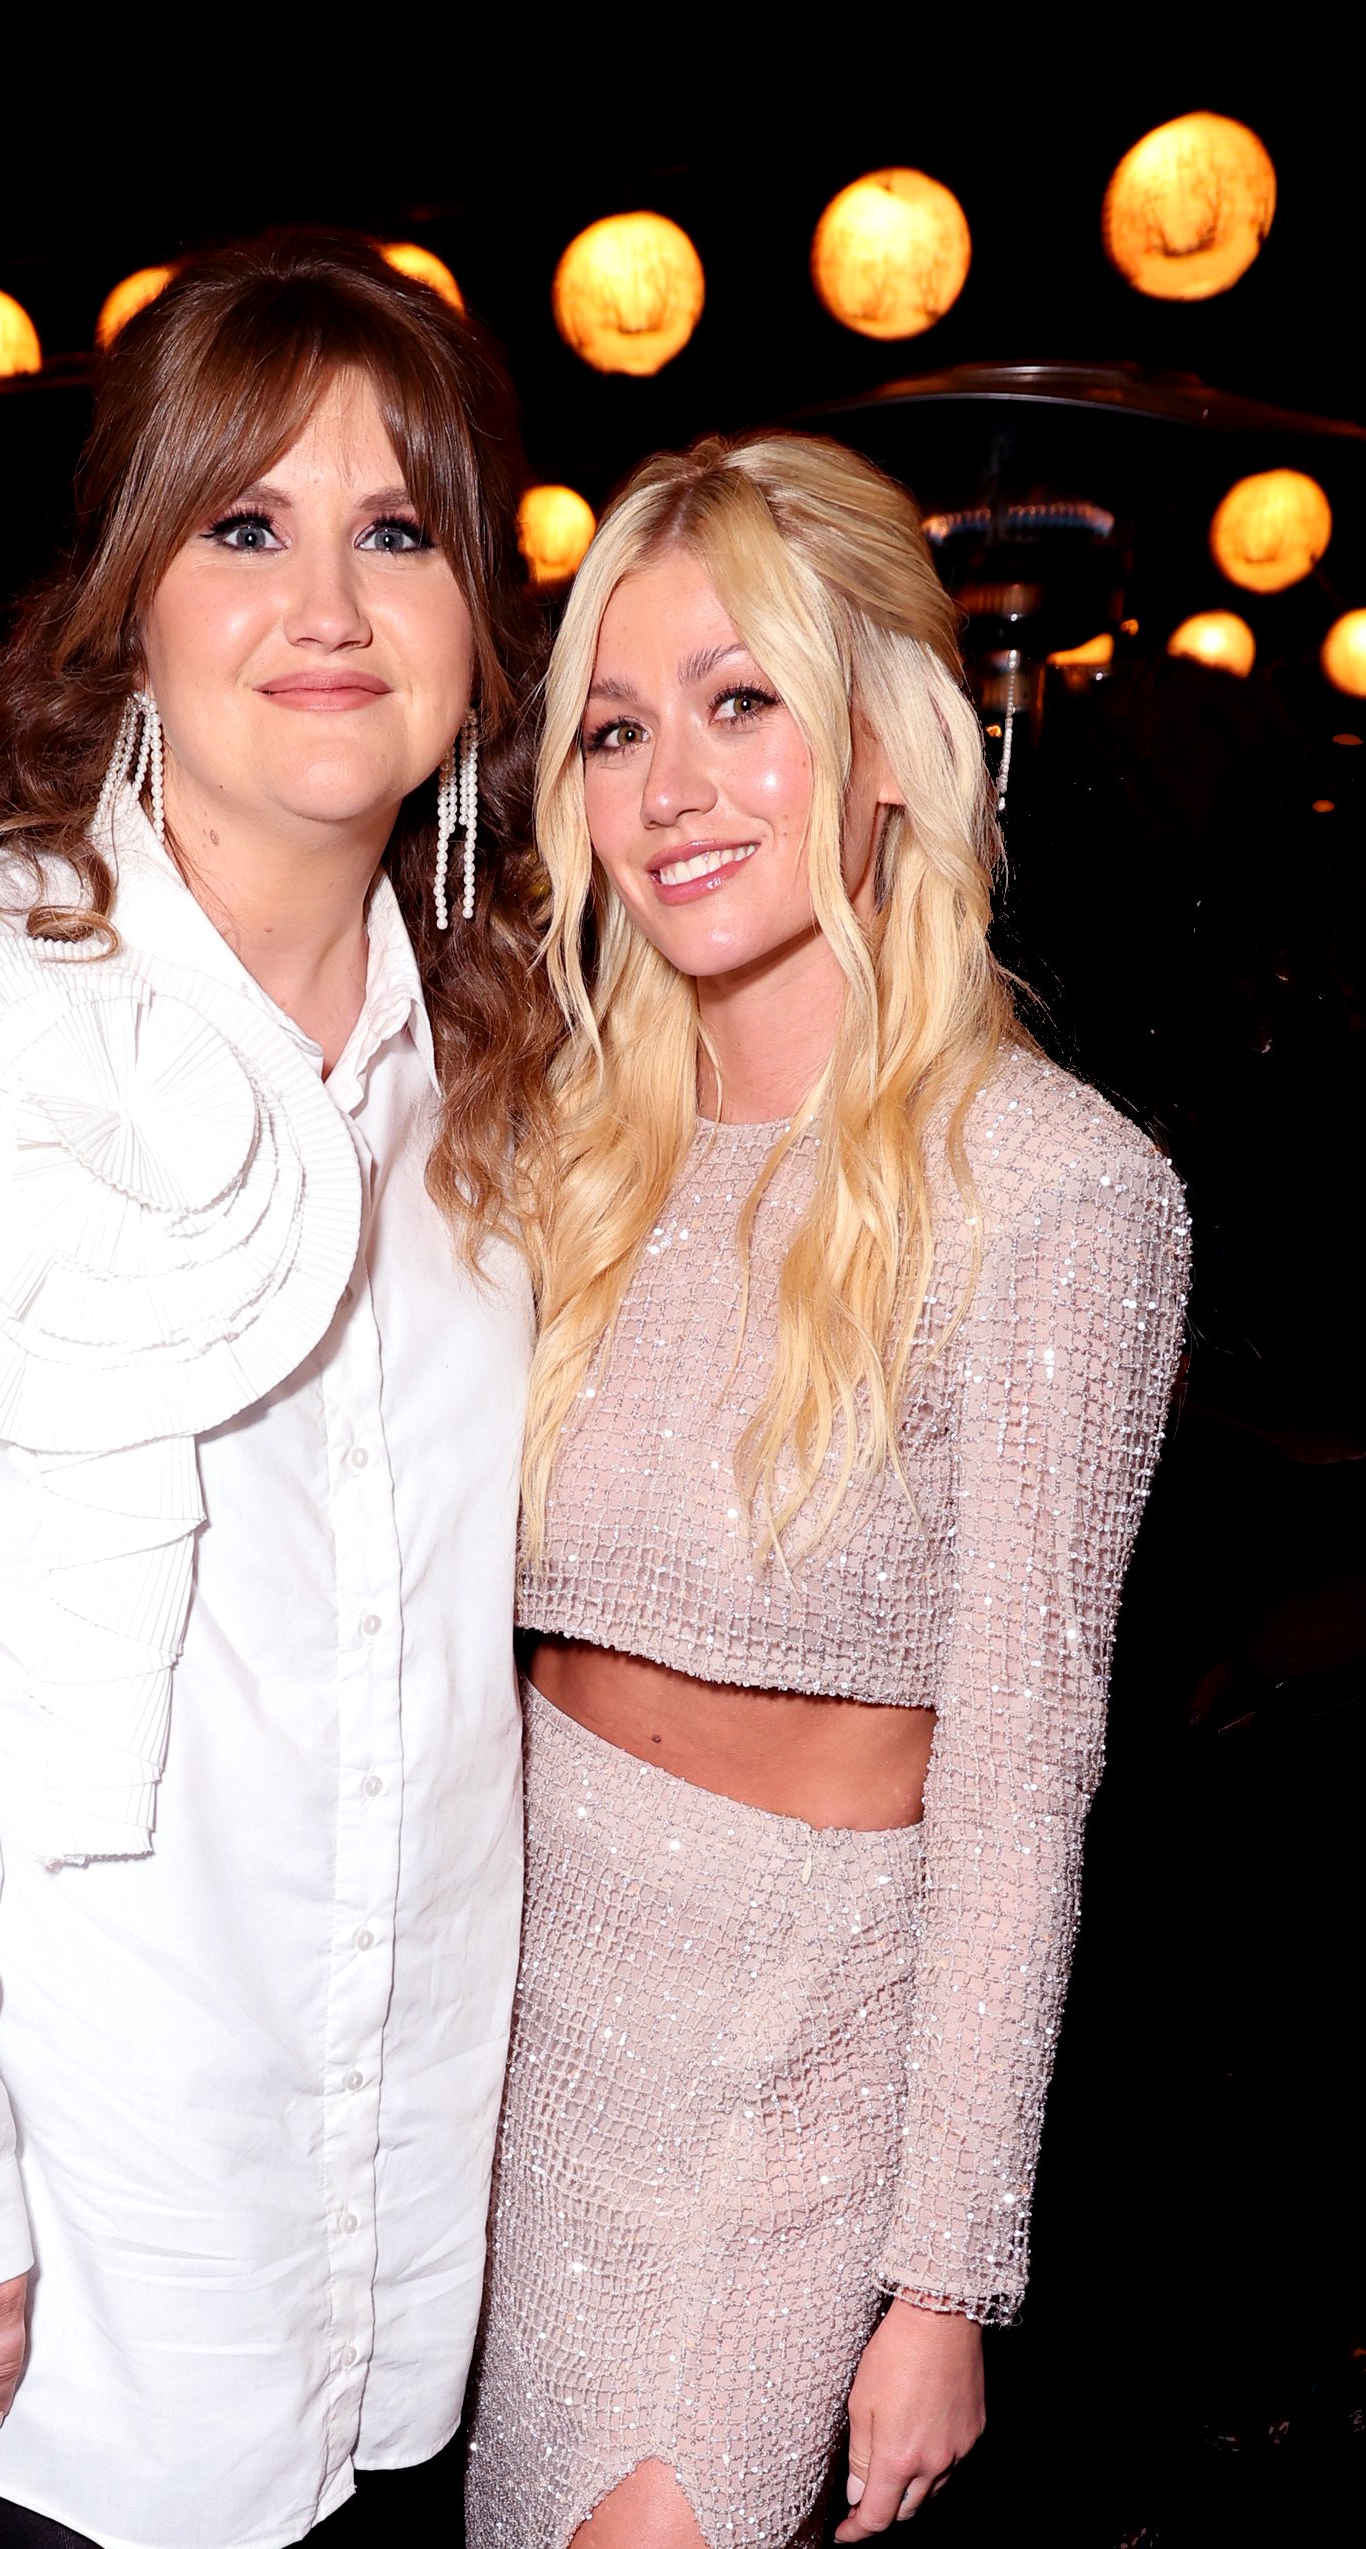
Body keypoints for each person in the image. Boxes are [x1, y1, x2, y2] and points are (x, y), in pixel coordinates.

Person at [0, 232, 556, 2549]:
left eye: (398, 531)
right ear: (132, 602)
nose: (327, 603)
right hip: (9, 2310)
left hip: (363, 2266)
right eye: (243, 526)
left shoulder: (514, 1086)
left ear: (475, 625)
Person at [467, 433, 1190, 2549]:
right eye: (613, 725)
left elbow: (1017, 1784)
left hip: (780, 2097)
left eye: (736, 701)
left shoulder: (1057, 1198)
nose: (666, 782)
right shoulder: (555, 1163)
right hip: (514, 2037)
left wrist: (940, 2279)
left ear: (886, 739)